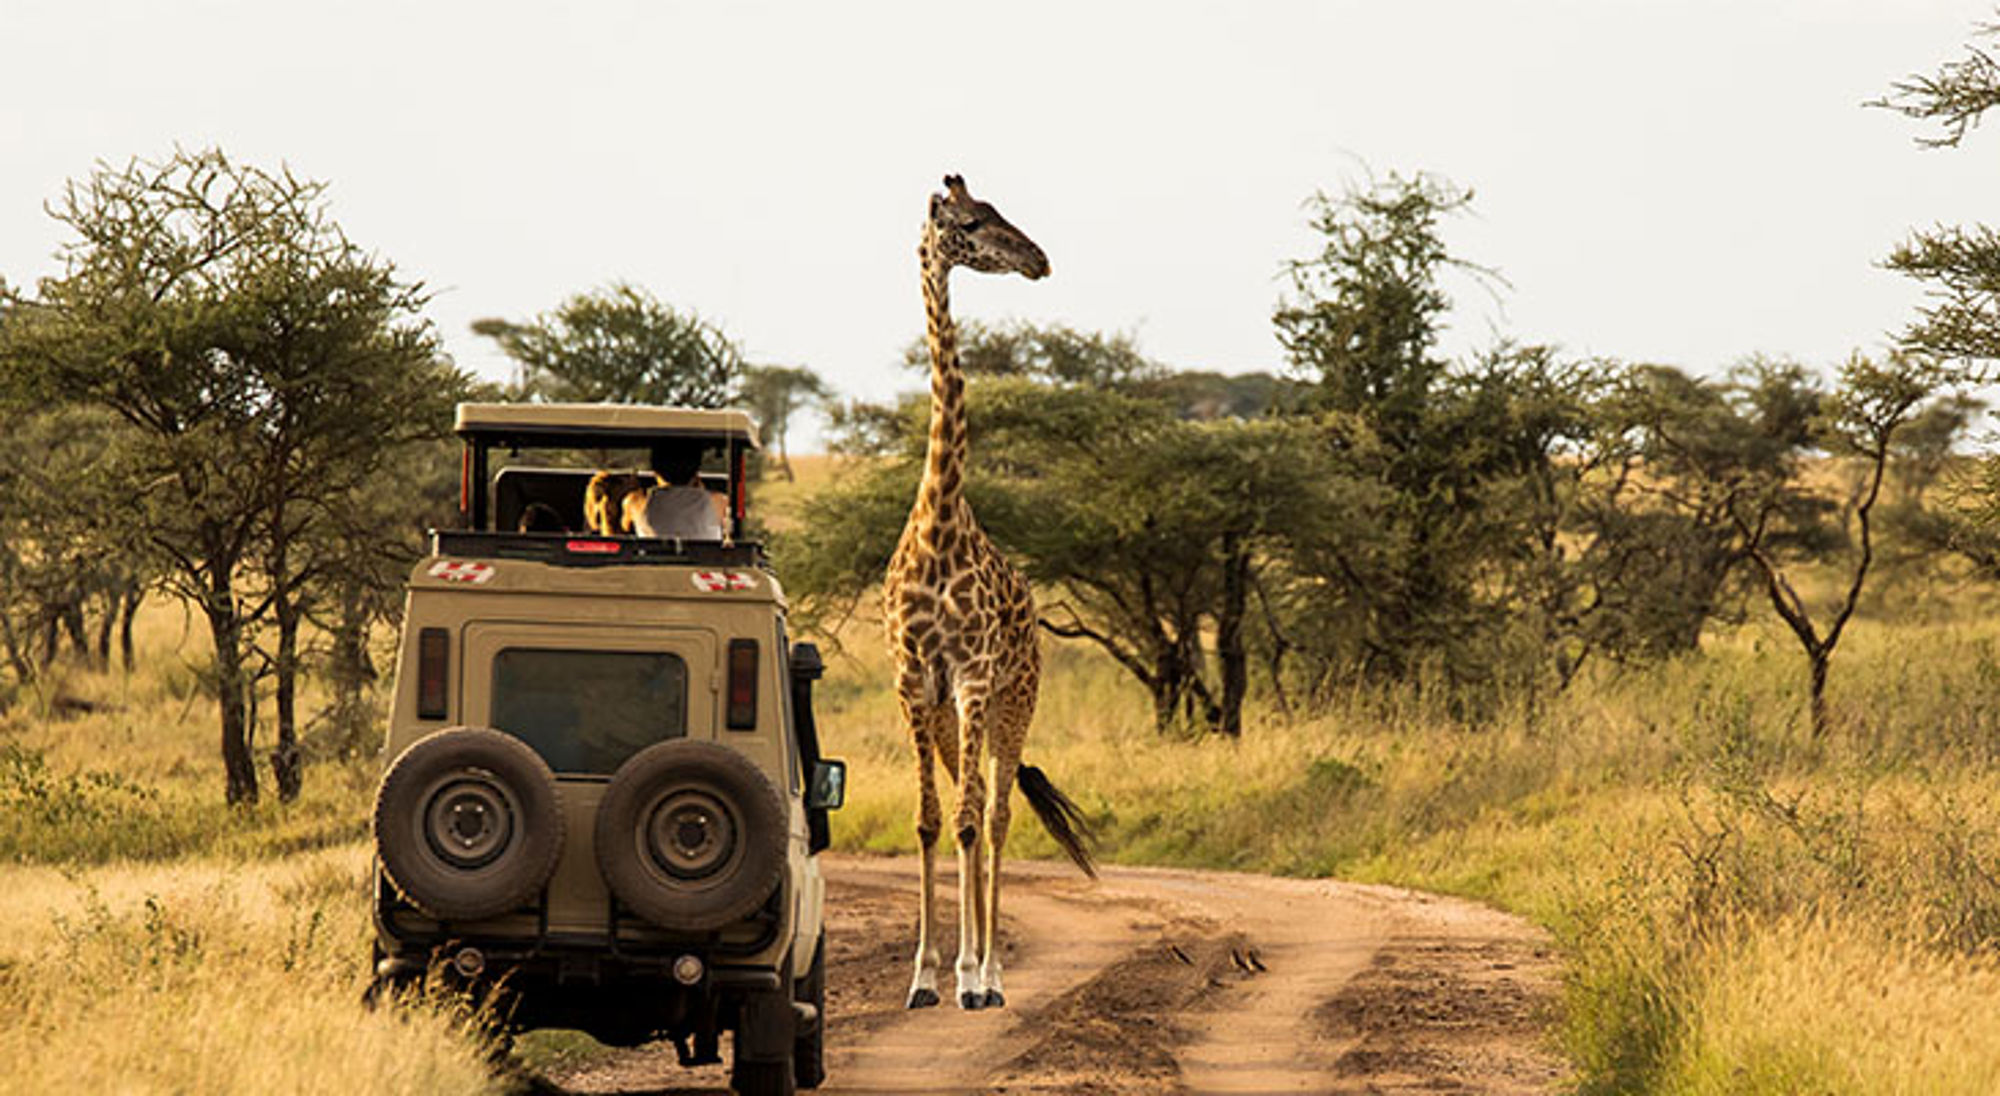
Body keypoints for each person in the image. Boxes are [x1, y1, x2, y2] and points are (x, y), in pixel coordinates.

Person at [633, 442, 724, 540]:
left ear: (655, 471)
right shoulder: (719, 502)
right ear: (696, 471)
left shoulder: (637, 503)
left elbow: (617, 534)